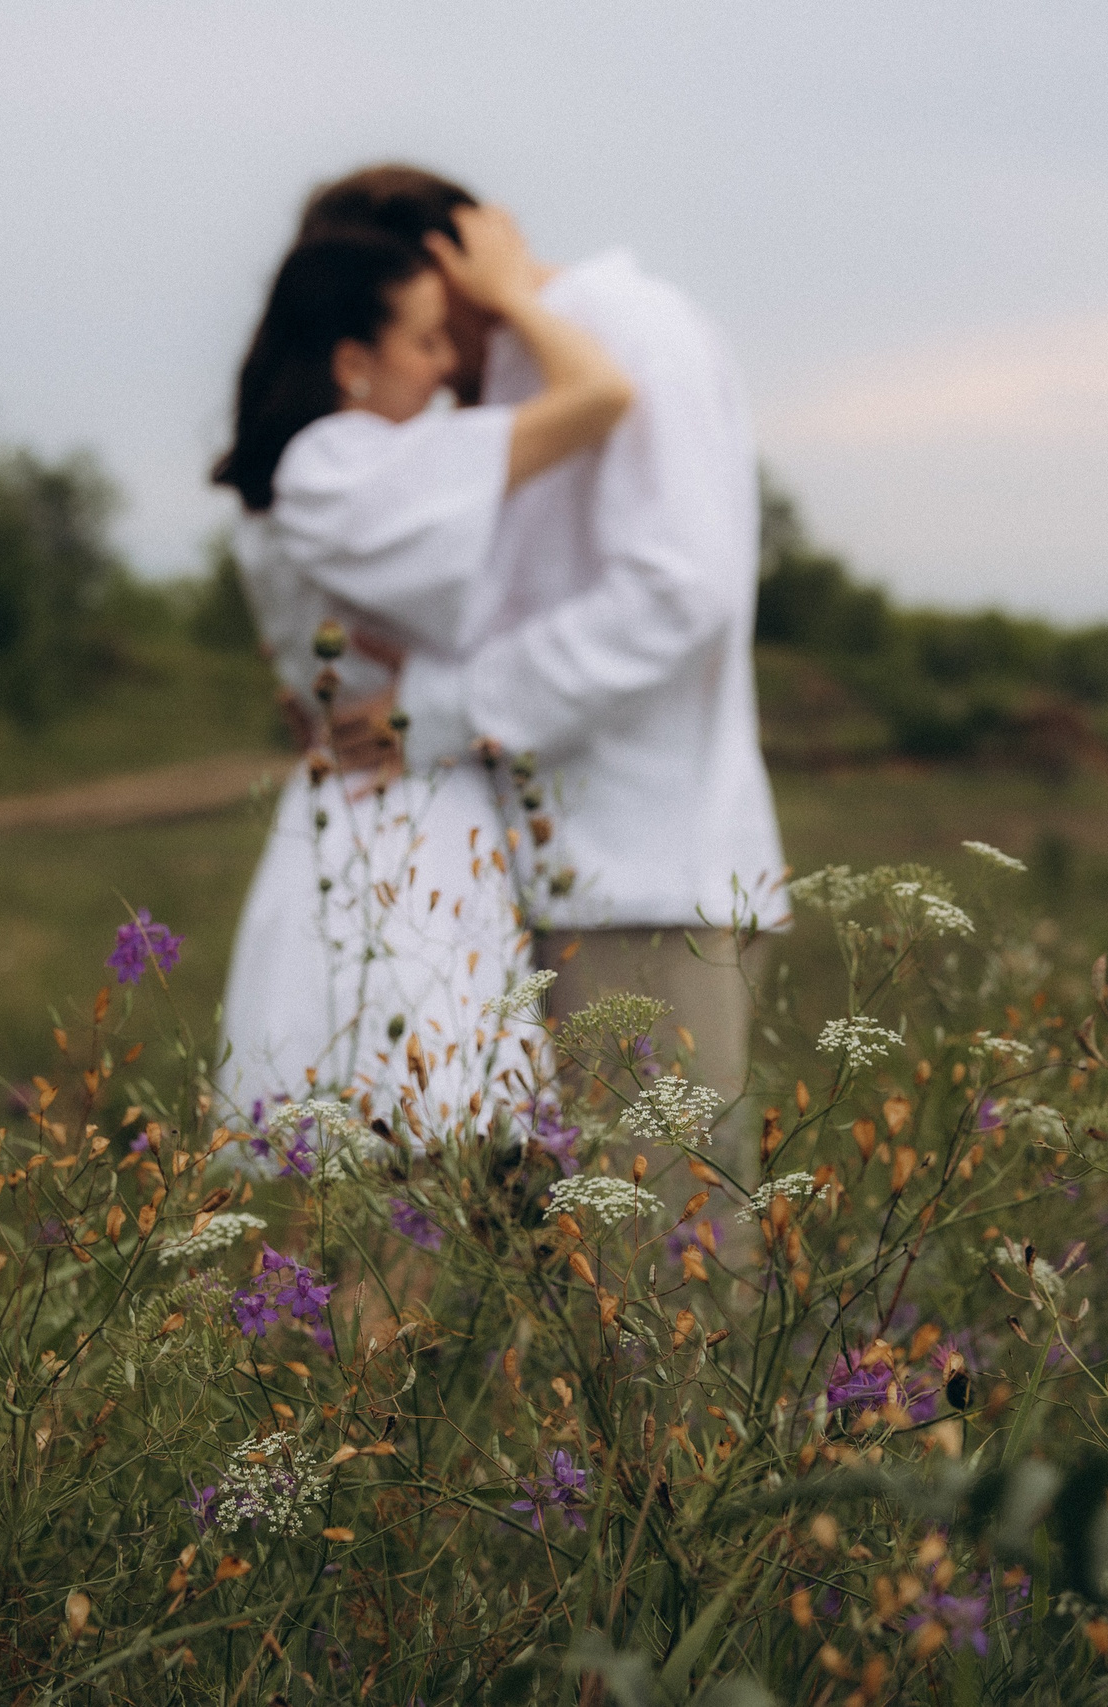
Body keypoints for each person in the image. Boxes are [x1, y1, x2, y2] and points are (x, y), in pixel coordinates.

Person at [301, 166, 788, 1211]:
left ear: (439, 268)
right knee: (552, 1299)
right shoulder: (528, 364)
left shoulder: (623, 330)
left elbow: (677, 590)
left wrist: (434, 712)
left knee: (664, 1275)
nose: (428, 371)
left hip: (637, 879)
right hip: (537, 877)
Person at [209, 203, 631, 1159]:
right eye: (427, 340)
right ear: (352, 357)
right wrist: (516, 295)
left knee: (387, 1197)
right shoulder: (342, 465)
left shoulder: (320, 469)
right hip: (399, 837)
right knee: (401, 1191)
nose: (447, 367)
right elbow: (601, 392)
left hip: (375, 818)